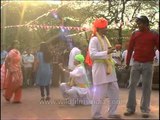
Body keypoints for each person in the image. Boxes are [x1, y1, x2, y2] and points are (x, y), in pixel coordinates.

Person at [124, 16, 159, 118]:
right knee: (131, 85)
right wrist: (127, 63)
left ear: (146, 24)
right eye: (138, 23)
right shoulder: (135, 34)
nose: (138, 25)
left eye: (140, 23)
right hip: (136, 63)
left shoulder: (154, 34)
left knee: (146, 87)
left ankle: (145, 110)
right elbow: (130, 49)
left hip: (148, 64)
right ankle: (130, 108)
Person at [89, 18, 120, 119]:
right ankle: (96, 115)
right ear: (99, 29)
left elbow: (108, 54)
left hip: (109, 69)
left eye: (106, 27)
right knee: (99, 94)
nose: (106, 29)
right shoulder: (94, 40)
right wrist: (107, 52)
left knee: (115, 91)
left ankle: (112, 112)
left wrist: (114, 60)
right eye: (104, 27)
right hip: (100, 70)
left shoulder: (105, 39)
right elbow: (93, 55)